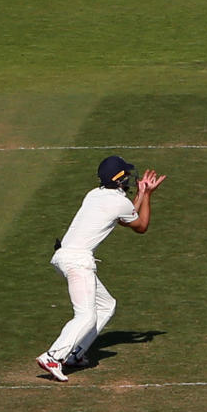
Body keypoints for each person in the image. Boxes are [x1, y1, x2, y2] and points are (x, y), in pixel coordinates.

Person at [36, 156, 167, 382]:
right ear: (119, 180)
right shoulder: (119, 202)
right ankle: (53, 356)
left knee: (106, 305)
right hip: (78, 262)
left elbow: (125, 217)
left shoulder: (94, 195)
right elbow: (140, 226)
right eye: (125, 175)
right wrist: (147, 195)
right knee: (86, 315)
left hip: (64, 257)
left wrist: (142, 194)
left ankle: (75, 355)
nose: (128, 178)